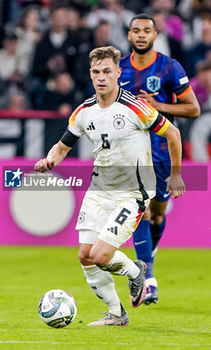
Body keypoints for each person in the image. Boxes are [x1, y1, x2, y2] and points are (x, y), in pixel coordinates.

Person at [34, 46, 185, 326]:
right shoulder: (84, 112)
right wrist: (50, 160)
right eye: (96, 72)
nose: (101, 77)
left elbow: (173, 133)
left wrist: (175, 174)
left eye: (106, 71)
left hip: (132, 193)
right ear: (90, 75)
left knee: (101, 255)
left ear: (118, 73)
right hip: (99, 190)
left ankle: (136, 270)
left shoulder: (135, 107)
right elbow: (63, 145)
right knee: (85, 256)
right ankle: (116, 314)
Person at [119, 13, 200, 304]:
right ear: (129, 35)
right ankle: (147, 275)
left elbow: (193, 109)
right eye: (135, 30)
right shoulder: (117, 69)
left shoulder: (169, 67)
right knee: (139, 210)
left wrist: (158, 106)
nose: (141, 35)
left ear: (155, 35)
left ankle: (148, 267)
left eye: (146, 31)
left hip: (163, 154)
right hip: (130, 155)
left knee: (157, 214)